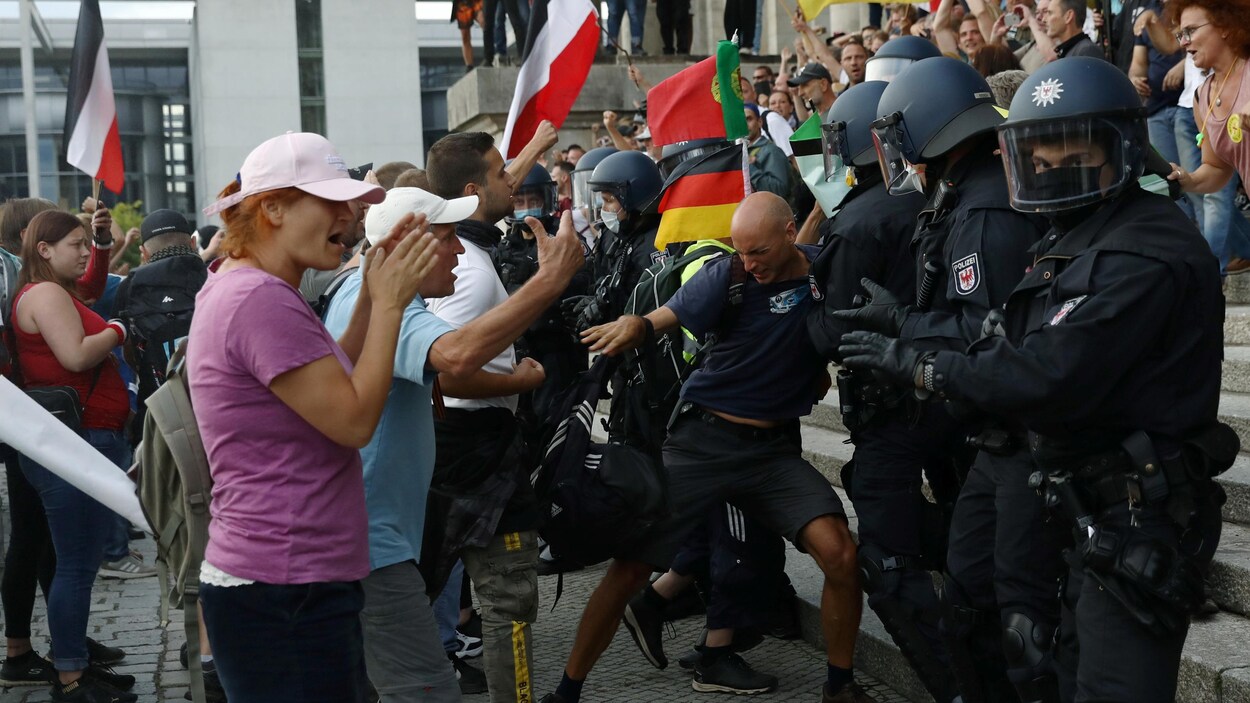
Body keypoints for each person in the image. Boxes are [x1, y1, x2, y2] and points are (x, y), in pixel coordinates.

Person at [839, 57, 1228, 703]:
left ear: (1125, 149)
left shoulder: (1141, 249)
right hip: (1089, 501)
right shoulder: (1078, 234)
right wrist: (911, 324)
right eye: (1038, 150)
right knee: (1064, 670)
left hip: (1137, 508)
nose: (1051, 166)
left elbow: (1049, 370)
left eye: (1073, 149)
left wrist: (924, 364)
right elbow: (1008, 333)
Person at [540, 191, 869, 703]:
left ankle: (840, 686)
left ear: (787, 236)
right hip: (702, 443)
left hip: (772, 454)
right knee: (630, 566)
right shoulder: (729, 276)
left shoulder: (820, 273)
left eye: (758, 251)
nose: (749, 262)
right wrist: (637, 325)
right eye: (741, 250)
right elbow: (665, 316)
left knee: (842, 555)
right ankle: (566, 691)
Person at [188, 132, 439, 703]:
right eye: (331, 201)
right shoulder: (261, 298)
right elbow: (352, 422)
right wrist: (394, 307)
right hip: (286, 583)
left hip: (280, 577)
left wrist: (374, 293)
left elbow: (328, 377)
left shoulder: (249, 283)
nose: (350, 216)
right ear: (271, 208)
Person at [322, 183, 585, 703]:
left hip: (375, 533)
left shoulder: (370, 292)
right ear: (407, 244)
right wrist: (550, 279)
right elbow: (458, 358)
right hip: (372, 542)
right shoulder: (381, 303)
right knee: (425, 691)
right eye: (448, 238)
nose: (460, 251)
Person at [847, 56, 1056, 702]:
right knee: (968, 590)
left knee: (1014, 616)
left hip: (1023, 437)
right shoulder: (975, 191)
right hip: (999, 438)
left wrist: (906, 329)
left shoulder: (984, 209)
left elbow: (990, 334)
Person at [804, 80, 962, 703]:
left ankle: (957, 686)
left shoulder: (857, 223)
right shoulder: (935, 203)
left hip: (890, 410)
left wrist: (805, 279)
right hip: (948, 393)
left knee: (888, 565)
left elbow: (830, 334)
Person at [11, 208, 138, 703]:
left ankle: (76, 665)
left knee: (77, 562)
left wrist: (103, 250)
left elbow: (88, 288)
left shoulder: (52, 290)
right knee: (77, 564)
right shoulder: (44, 293)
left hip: (78, 436)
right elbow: (76, 355)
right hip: (75, 439)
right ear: (43, 250)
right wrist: (118, 330)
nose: (84, 252)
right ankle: (71, 678)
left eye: (87, 244)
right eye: (76, 245)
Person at [562, 150, 664, 334]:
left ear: (634, 199)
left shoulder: (654, 244)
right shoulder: (623, 235)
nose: (603, 208)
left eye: (608, 200)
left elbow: (648, 308)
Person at [1166, 0, 1250, 203]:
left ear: (1224, 26)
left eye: (1191, 31)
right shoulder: (1202, 97)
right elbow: (1217, 168)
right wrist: (1189, 180)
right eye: (1181, 34)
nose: (1183, 42)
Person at [744, 105, 791, 199]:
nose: (744, 125)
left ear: (760, 122)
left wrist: (749, 167)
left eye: (748, 119)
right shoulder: (742, 153)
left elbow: (779, 191)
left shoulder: (772, 151)